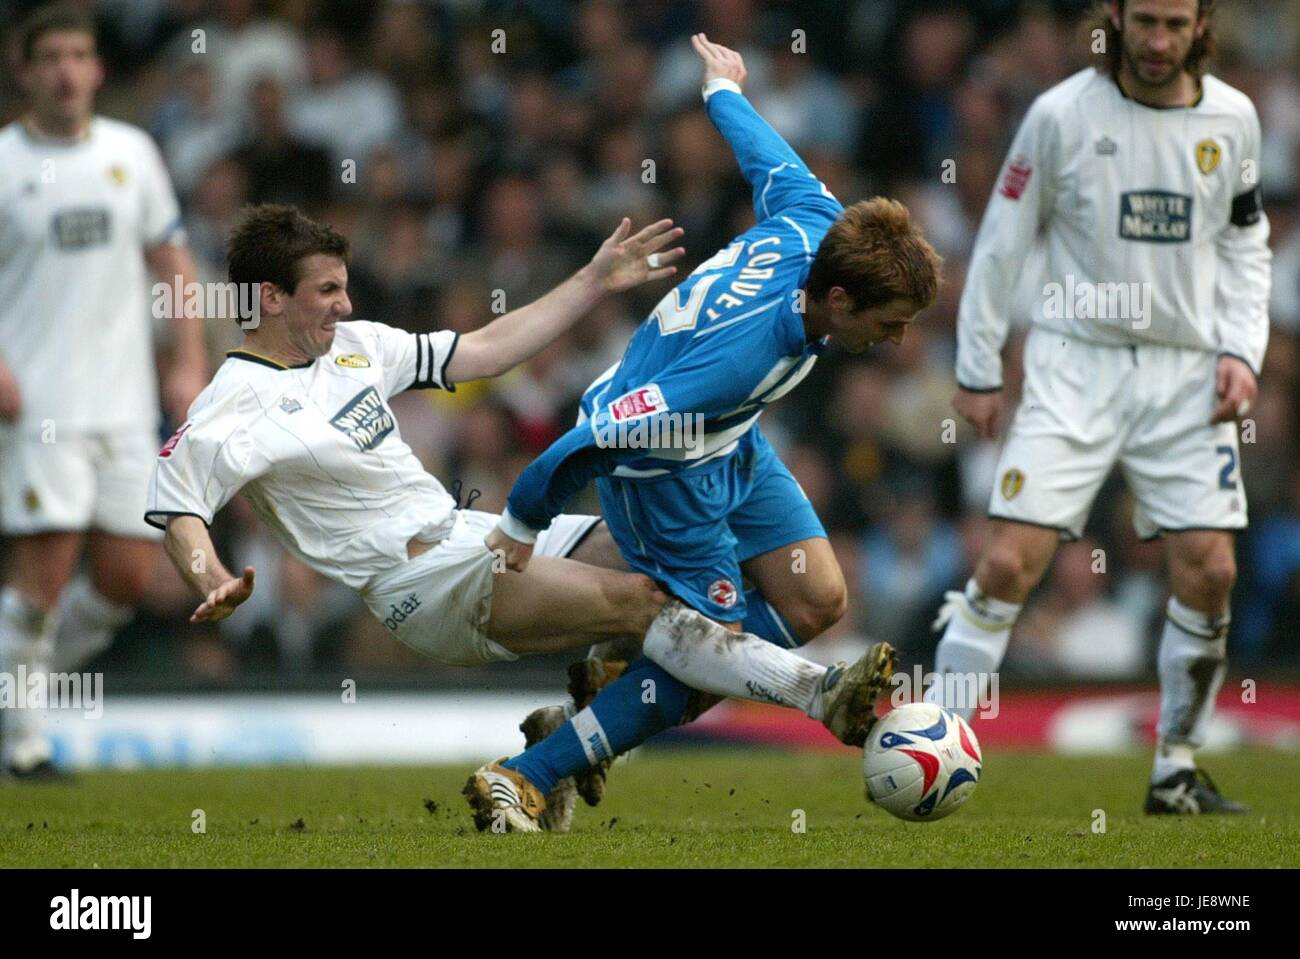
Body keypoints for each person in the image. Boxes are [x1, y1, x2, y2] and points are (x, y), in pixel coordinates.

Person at [471, 34, 943, 832]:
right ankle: (526, 773)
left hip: (732, 442)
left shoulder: (816, 221)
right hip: (668, 476)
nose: (896, 342)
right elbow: (602, 429)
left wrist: (723, 91)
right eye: (889, 324)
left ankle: (619, 687)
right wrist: (522, 516)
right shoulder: (736, 362)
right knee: (711, 642)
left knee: (818, 594)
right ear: (838, 300)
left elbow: (767, 156)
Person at [927, 0, 1270, 814]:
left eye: (1174, 25)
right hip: (1074, 364)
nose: (1156, 41)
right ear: (1113, 16)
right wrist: (978, 370)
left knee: (1212, 569)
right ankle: (934, 749)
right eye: (1143, 21)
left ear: (1200, 25)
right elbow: (1004, 240)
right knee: (1007, 561)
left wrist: (1240, 352)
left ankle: (1175, 769)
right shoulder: (1060, 115)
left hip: (1186, 373)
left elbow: (1245, 244)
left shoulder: (1234, 118)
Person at [0, 4, 208, 777]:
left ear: (97, 69)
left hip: (123, 401)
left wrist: (186, 359)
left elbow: (173, 262)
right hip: (38, 407)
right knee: (46, 570)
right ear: (24, 71)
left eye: (78, 54)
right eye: (48, 55)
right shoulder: (4, 161)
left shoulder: (133, 153)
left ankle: (19, 685)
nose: (64, 69)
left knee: (125, 576)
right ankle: (22, 745)